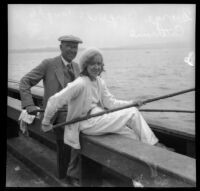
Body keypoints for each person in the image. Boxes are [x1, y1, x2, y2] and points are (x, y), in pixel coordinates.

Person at [41, 47, 171, 159]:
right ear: (85, 65)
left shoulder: (99, 82)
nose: (97, 67)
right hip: (86, 124)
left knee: (133, 136)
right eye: (92, 64)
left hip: (98, 117)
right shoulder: (80, 83)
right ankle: (155, 146)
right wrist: (46, 122)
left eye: (99, 64)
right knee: (132, 113)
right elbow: (54, 101)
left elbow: (111, 103)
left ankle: (138, 179)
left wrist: (132, 102)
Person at [19, 35, 82, 186]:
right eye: (69, 46)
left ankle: (75, 171)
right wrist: (29, 105)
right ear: (60, 47)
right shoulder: (48, 64)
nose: (73, 50)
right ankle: (65, 175)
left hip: (75, 111)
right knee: (69, 131)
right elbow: (25, 82)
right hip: (56, 113)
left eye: (75, 47)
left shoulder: (77, 67)